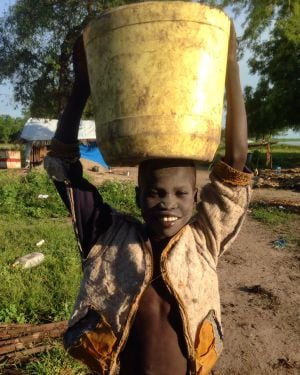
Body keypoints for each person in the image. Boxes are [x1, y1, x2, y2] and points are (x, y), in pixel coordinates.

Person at [45, 20, 252, 375]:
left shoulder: (204, 240)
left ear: (196, 197)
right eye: (155, 192)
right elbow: (64, 164)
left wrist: (230, 64)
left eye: (180, 193)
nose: (168, 203)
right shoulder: (106, 236)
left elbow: (235, 163)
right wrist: (83, 85)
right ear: (139, 195)